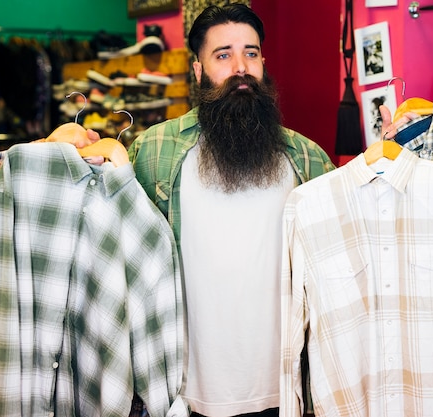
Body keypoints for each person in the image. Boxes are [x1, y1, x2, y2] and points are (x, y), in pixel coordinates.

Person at [127, 4, 334, 417]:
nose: (241, 67)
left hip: (286, 389)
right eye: (223, 55)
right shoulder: (154, 152)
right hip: (187, 393)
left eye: (251, 53)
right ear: (198, 69)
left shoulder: (307, 159)